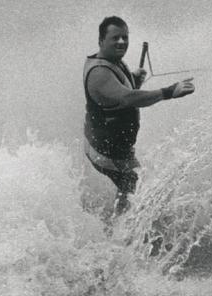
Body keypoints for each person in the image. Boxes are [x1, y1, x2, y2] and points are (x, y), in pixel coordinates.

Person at [83, 16, 195, 212]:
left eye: (125, 37)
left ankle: (119, 225)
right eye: (115, 38)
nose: (121, 42)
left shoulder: (115, 61)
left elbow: (116, 96)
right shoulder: (98, 73)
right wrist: (169, 92)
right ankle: (121, 234)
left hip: (117, 149)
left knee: (134, 188)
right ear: (101, 41)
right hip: (104, 151)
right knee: (139, 189)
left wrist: (134, 80)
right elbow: (127, 98)